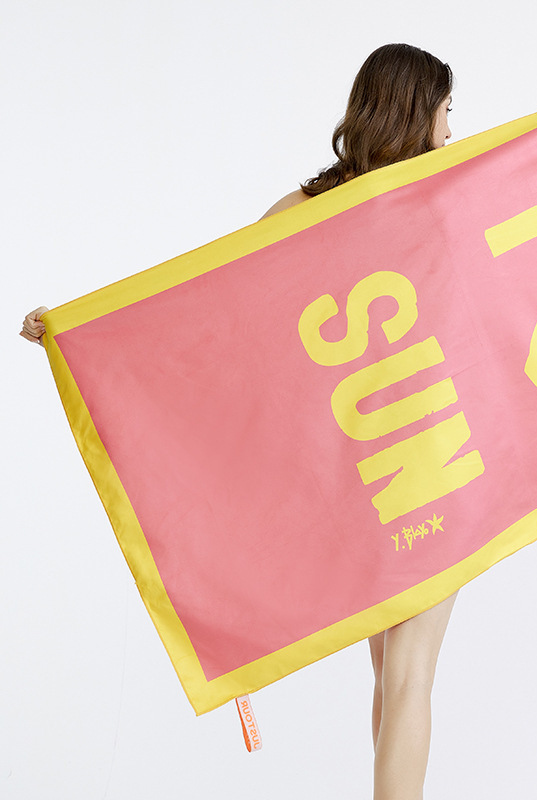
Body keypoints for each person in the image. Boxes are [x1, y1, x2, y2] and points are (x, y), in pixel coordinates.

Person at [21, 42, 456, 800]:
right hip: (424, 455)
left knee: (389, 674)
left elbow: (206, 306)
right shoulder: (442, 196)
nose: (453, 131)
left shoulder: (304, 208)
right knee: (411, 674)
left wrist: (85, 330)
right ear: (417, 115)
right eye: (448, 112)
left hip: (356, 466)